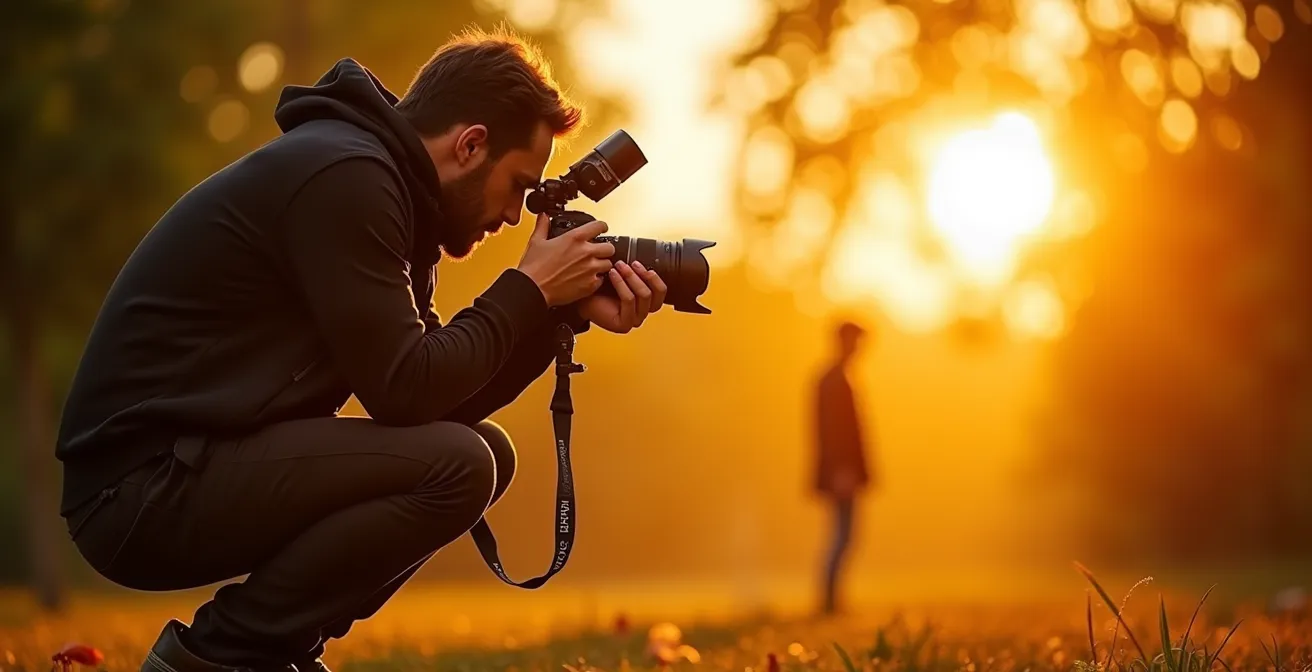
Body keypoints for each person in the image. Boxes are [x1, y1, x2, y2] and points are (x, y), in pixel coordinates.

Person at [55, 27, 667, 672]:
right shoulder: (348, 176)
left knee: (485, 452)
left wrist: (551, 315)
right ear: (471, 144)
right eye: (518, 185)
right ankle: (218, 657)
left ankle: (271, 649)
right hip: (138, 489)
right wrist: (526, 290)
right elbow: (406, 389)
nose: (517, 215)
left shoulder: (388, 191)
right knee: (461, 464)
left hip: (191, 465)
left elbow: (431, 405)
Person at [810, 319, 875, 616]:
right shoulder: (833, 380)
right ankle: (829, 600)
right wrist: (842, 471)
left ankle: (832, 599)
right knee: (841, 535)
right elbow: (833, 431)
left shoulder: (839, 378)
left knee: (843, 535)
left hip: (843, 470)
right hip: (841, 472)